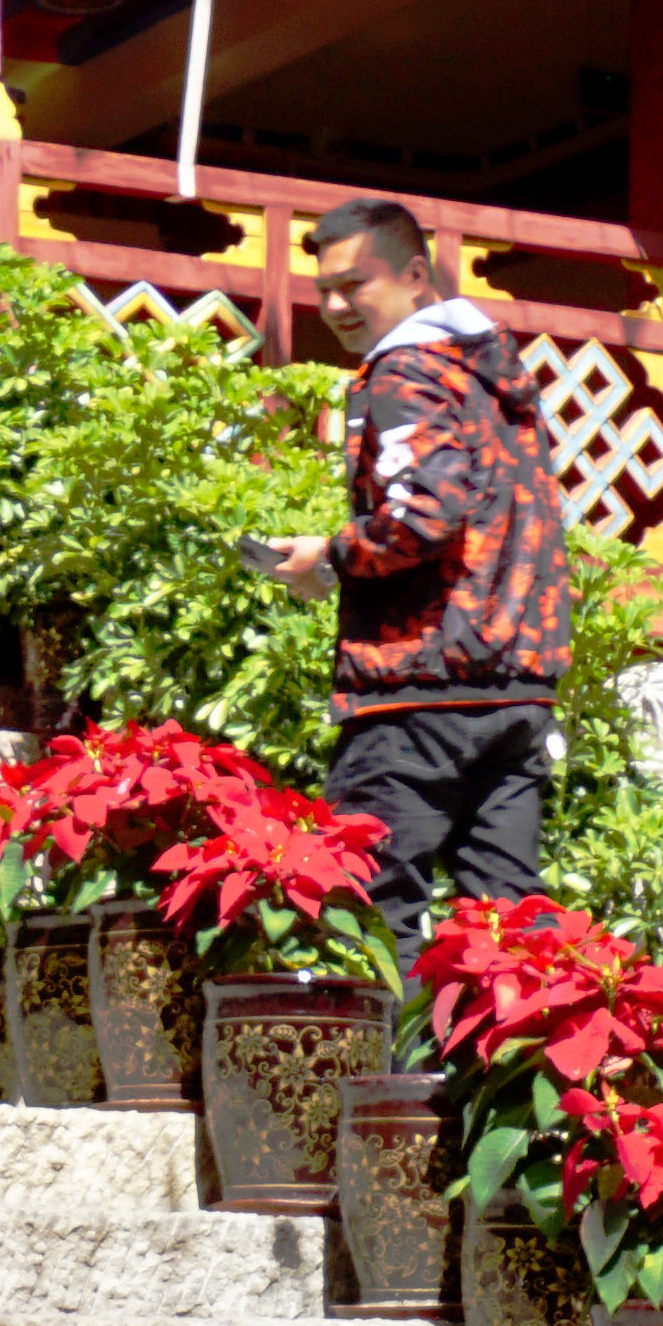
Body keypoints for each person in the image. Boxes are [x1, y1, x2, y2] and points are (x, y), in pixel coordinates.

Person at [255, 195, 572, 938]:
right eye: (323, 288)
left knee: (370, 911)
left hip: (418, 686)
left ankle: (382, 1061)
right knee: (506, 926)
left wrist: (328, 555)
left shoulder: (404, 371)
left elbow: (421, 515)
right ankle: (501, 1060)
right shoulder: (496, 376)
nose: (335, 305)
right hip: (516, 689)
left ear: (416, 276)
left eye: (354, 285)